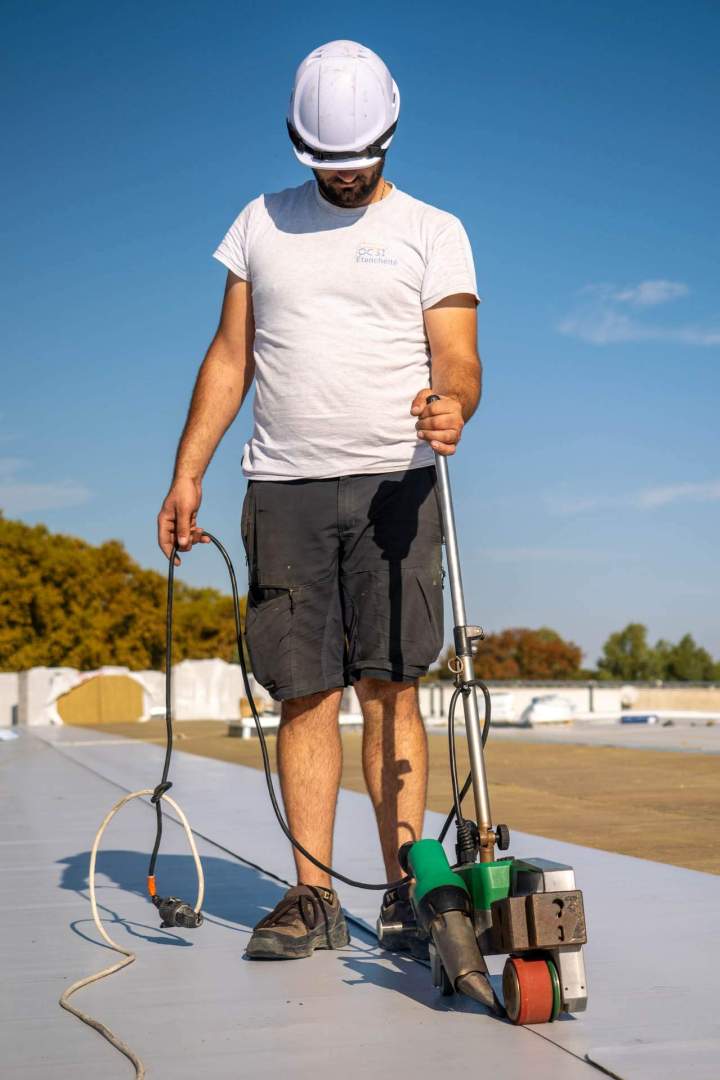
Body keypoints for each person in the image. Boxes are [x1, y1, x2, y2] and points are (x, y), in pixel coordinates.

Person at [157, 39, 482, 960]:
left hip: (397, 486)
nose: (342, 178)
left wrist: (454, 400)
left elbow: (458, 353)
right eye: (325, 164)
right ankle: (313, 899)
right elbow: (230, 356)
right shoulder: (259, 223)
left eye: (358, 162)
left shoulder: (433, 229)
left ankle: (405, 895)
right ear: (298, 145)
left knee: (390, 689)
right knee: (304, 693)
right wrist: (188, 471)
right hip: (283, 487)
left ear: (389, 135)